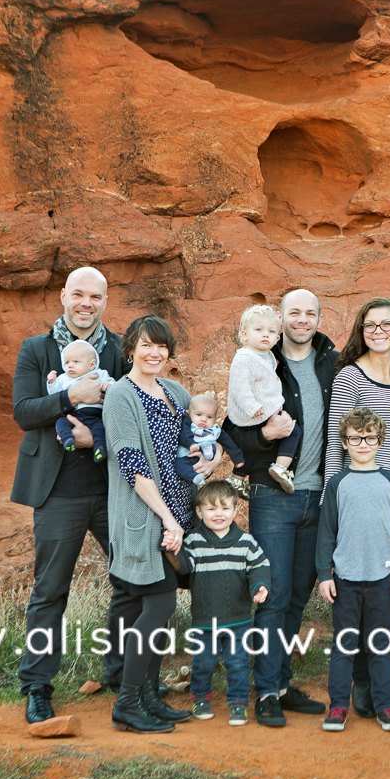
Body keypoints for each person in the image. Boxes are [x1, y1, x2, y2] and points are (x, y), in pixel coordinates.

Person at [11, 266, 133, 724]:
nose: (86, 303)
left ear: (105, 301)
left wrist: (96, 432)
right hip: (57, 491)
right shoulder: (36, 350)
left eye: (96, 297)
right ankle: (38, 686)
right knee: (50, 590)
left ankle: (124, 675)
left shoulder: (120, 349)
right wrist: (71, 397)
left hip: (113, 489)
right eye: (78, 294)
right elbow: (24, 412)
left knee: (131, 580)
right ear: (63, 295)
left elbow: (138, 406)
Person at [224, 288, 333, 728]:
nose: (301, 320)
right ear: (281, 319)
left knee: (297, 598)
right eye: (294, 313)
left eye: (310, 313)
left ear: (318, 319)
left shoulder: (332, 362)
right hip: (274, 494)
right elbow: (234, 426)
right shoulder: (261, 360)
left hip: (319, 495)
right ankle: (266, 691)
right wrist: (265, 437)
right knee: (274, 595)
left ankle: (282, 684)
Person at [103, 314, 214, 734]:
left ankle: (148, 697)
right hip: (145, 517)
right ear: (130, 348)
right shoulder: (120, 395)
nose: (155, 353)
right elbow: (131, 464)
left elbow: (202, 439)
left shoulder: (175, 391)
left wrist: (213, 458)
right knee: (160, 605)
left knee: (158, 610)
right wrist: (167, 519)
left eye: (162, 346)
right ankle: (127, 702)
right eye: (146, 345)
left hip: (180, 515)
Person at [324, 297, 390, 717]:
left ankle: (383, 679)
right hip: (359, 499)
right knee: (361, 598)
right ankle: (361, 685)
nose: (378, 331)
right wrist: (336, 497)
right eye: (370, 325)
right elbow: (335, 443)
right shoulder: (349, 377)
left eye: (387, 324)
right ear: (361, 331)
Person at [318, 407, 390, 733]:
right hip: (345, 579)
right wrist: (324, 574)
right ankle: (338, 706)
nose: (362, 444)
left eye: (369, 438)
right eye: (355, 438)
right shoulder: (338, 483)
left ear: (380, 441)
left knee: (380, 645)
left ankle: (385, 704)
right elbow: (326, 532)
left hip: (383, 579)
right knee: (344, 645)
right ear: (344, 443)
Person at [182, 480, 272, 727]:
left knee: (239, 662)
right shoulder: (194, 541)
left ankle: (238, 703)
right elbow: (183, 567)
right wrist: (171, 551)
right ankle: (200, 698)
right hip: (204, 619)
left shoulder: (246, 541)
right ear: (199, 512)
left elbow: (260, 566)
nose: (218, 514)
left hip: (239, 618)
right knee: (204, 662)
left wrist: (260, 586)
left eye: (224, 508)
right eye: (211, 509)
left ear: (234, 511)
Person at [227, 304, 302, 492]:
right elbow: (240, 387)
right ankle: (281, 467)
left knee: (255, 448)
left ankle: (237, 479)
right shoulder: (243, 358)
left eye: (271, 331)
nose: (265, 334)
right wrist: (252, 407)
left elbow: (264, 374)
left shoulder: (266, 355)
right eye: (258, 330)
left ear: (277, 338)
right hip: (254, 410)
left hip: (264, 408)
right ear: (244, 334)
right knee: (293, 431)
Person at [47, 340, 114, 461]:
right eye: (67, 362)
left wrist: (108, 386)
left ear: (92, 364)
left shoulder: (99, 374)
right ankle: (68, 439)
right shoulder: (63, 378)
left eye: (76, 362)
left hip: (95, 414)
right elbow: (55, 395)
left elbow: (114, 386)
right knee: (61, 423)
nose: (70, 366)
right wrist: (52, 382)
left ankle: (100, 449)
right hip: (73, 413)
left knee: (99, 429)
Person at [174, 393, 246, 488]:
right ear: (189, 413)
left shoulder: (215, 429)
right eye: (199, 414)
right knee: (179, 466)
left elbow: (228, 443)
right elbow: (184, 434)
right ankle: (195, 478)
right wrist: (191, 444)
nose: (204, 419)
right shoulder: (189, 424)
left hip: (207, 458)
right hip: (187, 455)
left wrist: (238, 459)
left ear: (214, 418)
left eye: (209, 417)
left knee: (212, 446)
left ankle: (207, 449)